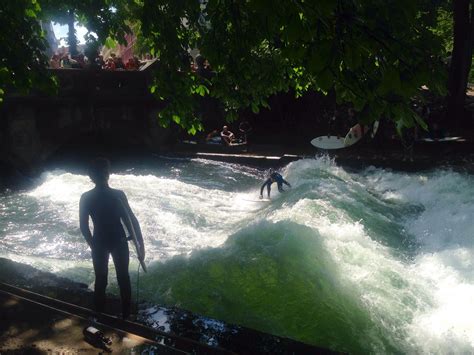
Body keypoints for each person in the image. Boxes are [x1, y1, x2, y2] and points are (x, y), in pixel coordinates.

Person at [79, 158, 145, 319]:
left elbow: (84, 226)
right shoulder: (117, 195)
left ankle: (99, 315)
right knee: (123, 278)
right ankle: (125, 316)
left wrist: (92, 244)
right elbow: (131, 220)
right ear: (107, 174)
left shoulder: (87, 197)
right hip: (118, 240)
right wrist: (140, 244)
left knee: (101, 279)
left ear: (91, 176)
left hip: (100, 241)